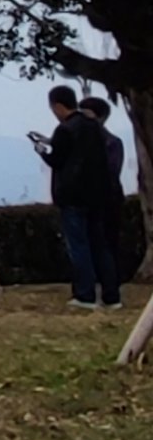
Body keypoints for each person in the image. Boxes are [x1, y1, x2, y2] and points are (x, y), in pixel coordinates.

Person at [29, 85, 120, 308]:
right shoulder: (93, 127)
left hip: (72, 196)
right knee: (100, 245)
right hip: (97, 196)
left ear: (58, 106)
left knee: (79, 246)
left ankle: (85, 294)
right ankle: (111, 296)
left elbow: (57, 159)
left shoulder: (65, 129)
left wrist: (42, 150)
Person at [81, 94, 130, 296]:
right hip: (92, 200)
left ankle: (111, 287)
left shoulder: (111, 142)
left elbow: (111, 171)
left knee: (108, 244)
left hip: (109, 200)